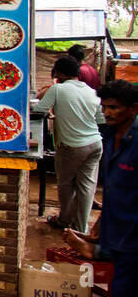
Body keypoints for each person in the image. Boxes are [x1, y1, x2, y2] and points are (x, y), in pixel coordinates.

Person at [63, 81, 138, 297]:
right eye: (105, 107)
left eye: (114, 108)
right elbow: (116, 190)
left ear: (133, 109)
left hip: (132, 239)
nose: (107, 113)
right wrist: (98, 226)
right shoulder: (110, 137)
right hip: (117, 232)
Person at [33, 56, 103, 231]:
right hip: (95, 144)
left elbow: (39, 109)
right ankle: (81, 228)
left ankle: (64, 220)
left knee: (66, 185)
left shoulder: (58, 89)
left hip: (71, 146)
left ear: (59, 73)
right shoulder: (90, 91)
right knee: (87, 187)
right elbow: (101, 118)